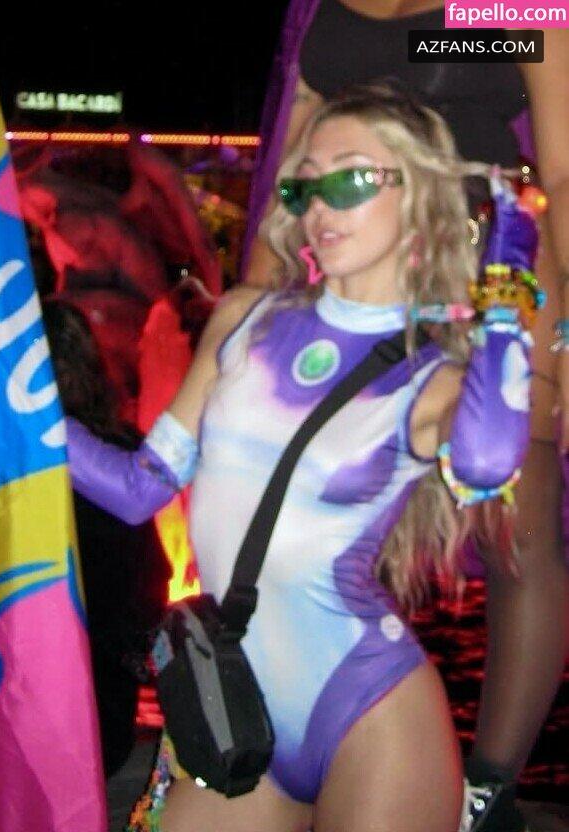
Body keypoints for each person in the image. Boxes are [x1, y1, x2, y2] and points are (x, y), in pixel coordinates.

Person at [65, 86, 539, 832]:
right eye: (304, 185)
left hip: (370, 714)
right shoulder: (245, 318)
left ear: (421, 194)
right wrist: (14, 412)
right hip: (236, 709)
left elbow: (484, 462)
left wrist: (507, 289)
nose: (319, 205)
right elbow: (136, 489)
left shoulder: (432, 378)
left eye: (351, 179)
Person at [243, 6, 569, 830]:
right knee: (329, 521)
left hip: (487, 263)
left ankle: (486, 792)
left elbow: (564, 172)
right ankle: (330, 745)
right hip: (354, 271)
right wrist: (252, 301)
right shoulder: (323, 6)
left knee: (515, 528)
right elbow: (295, 155)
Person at [42, 299, 171, 778]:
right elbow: (154, 575)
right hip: (102, 687)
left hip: (58, 674)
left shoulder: (27, 462)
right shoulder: (120, 452)